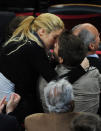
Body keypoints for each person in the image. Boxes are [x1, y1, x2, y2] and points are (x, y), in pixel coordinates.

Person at [0, 13, 64, 124]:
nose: (56, 44)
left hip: (12, 97)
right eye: (55, 38)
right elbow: (54, 80)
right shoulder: (33, 47)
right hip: (9, 104)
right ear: (42, 31)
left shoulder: (24, 39)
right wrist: (81, 70)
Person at [71, 23, 101, 115]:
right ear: (91, 46)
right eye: (98, 36)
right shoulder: (97, 69)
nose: (99, 38)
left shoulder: (64, 66)